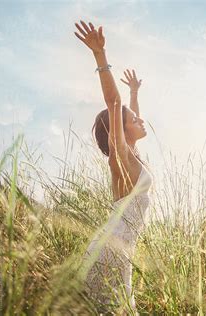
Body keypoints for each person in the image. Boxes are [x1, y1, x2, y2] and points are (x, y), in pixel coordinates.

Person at [74, 20, 153, 315]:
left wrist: (134, 94)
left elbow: (127, 117)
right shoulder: (119, 157)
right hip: (110, 253)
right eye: (133, 119)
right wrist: (100, 56)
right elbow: (113, 102)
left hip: (117, 251)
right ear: (120, 131)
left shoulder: (130, 158)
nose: (140, 121)